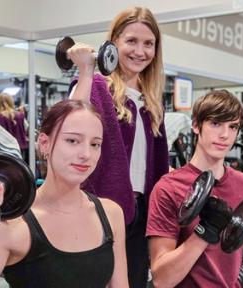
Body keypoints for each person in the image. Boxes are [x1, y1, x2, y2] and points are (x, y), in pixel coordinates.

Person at [0, 100, 128, 288]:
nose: (86, 154)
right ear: (44, 143)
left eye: (95, 144)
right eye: (72, 141)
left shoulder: (111, 214)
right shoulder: (13, 225)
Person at [68, 6, 169, 287]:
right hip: (100, 210)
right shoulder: (97, 86)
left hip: (141, 211)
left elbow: (158, 166)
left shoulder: (152, 102)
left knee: (134, 281)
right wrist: (86, 70)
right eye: (131, 41)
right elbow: (71, 120)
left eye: (148, 44)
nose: (140, 51)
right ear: (114, 42)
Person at [146, 90, 243, 287]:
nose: (224, 135)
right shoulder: (168, 188)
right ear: (196, 125)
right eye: (215, 124)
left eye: (233, 127)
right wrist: (205, 232)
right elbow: (162, 280)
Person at [0, 93, 29, 161]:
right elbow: (26, 129)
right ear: (11, 102)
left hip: (4, 151)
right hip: (20, 149)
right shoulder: (20, 116)